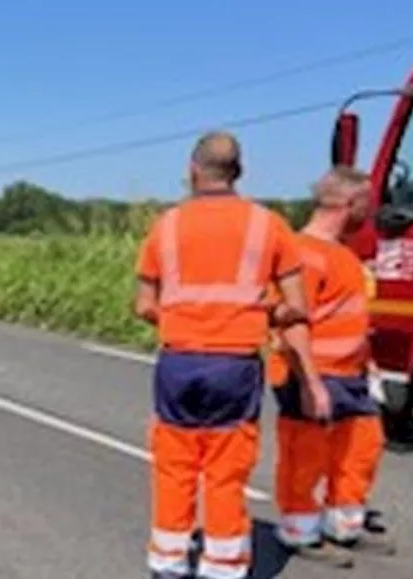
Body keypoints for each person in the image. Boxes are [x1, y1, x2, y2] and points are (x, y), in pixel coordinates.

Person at [133, 131, 330, 579]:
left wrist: (181, 320)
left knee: (174, 463)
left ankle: (168, 560)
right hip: (236, 363)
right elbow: (297, 306)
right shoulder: (268, 225)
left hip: (178, 361)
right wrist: (260, 311)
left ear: (192, 171)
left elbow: (144, 304)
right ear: (238, 173)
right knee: (225, 469)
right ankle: (221, 565)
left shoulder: (166, 225)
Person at [266, 166, 394, 565]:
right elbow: (292, 324)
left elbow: (348, 316)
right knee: (306, 455)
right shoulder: (303, 253)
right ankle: (300, 530)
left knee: (361, 447)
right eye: (366, 204)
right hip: (312, 372)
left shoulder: (342, 254)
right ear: (349, 203)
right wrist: (309, 382)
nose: (371, 213)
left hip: (349, 374)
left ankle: (344, 524)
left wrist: (367, 365)